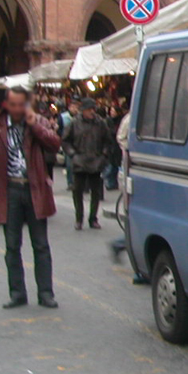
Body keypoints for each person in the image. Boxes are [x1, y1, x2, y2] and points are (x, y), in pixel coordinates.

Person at [0, 87, 62, 309]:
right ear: (6, 105)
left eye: (21, 104)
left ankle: (45, 293)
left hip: (34, 189)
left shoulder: (38, 123)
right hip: (9, 191)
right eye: (13, 104)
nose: (17, 109)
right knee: (12, 246)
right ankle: (17, 293)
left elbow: (54, 143)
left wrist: (34, 124)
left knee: (41, 245)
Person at [108, 111, 149, 284]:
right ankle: (137, 267)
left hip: (145, 173)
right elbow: (121, 138)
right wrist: (132, 150)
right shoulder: (133, 117)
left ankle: (122, 245)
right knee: (138, 222)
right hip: (133, 173)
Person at [63, 97, 115, 230]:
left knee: (96, 192)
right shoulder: (75, 123)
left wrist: (104, 154)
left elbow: (108, 140)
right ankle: (79, 218)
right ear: (83, 110)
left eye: (93, 109)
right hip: (80, 160)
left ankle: (93, 218)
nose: (92, 112)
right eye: (89, 109)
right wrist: (73, 154)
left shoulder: (100, 123)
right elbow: (65, 140)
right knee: (77, 191)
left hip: (96, 161)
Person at [60, 98, 79, 190]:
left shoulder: (79, 117)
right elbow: (60, 129)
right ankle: (70, 182)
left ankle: (77, 182)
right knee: (69, 165)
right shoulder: (63, 117)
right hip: (68, 143)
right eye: (73, 107)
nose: (75, 109)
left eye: (76, 107)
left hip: (78, 143)